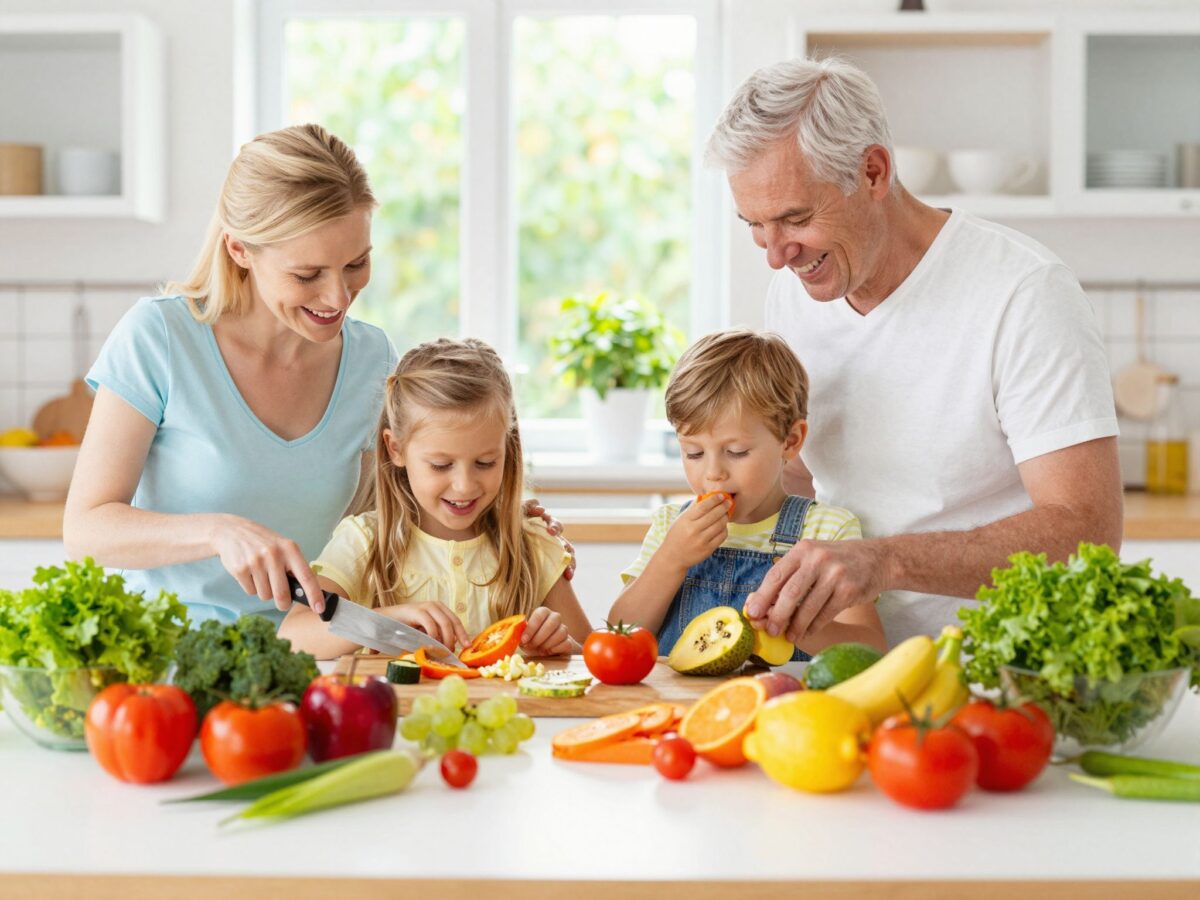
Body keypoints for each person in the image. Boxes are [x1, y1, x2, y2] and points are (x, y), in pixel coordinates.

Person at [704, 57, 1122, 647]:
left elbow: (1086, 530)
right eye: (755, 225)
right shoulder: (793, 294)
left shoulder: (1023, 292)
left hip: (998, 673)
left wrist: (885, 561)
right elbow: (792, 472)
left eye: (795, 218)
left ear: (873, 172)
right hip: (846, 669)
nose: (776, 254)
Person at [64, 124, 395, 625]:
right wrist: (218, 532)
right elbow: (86, 528)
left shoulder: (372, 359)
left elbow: (375, 528)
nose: (338, 297)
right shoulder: (161, 338)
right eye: (307, 275)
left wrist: (500, 523)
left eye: (356, 264)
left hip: (310, 653)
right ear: (240, 250)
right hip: (168, 660)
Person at [279, 338, 592, 660]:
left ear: (507, 449)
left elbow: (591, 657)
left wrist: (560, 647)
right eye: (441, 465)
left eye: (485, 463)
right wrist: (387, 621)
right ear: (395, 449)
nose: (463, 486)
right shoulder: (363, 541)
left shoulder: (533, 542)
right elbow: (292, 638)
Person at [610, 329, 886, 658]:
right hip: (684, 706)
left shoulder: (828, 532)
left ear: (791, 440)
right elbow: (620, 634)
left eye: (737, 451)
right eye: (694, 453)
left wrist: (800, 624)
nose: (713, 473)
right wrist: (671, 559)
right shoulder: (672, 525)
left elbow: (873, 650)